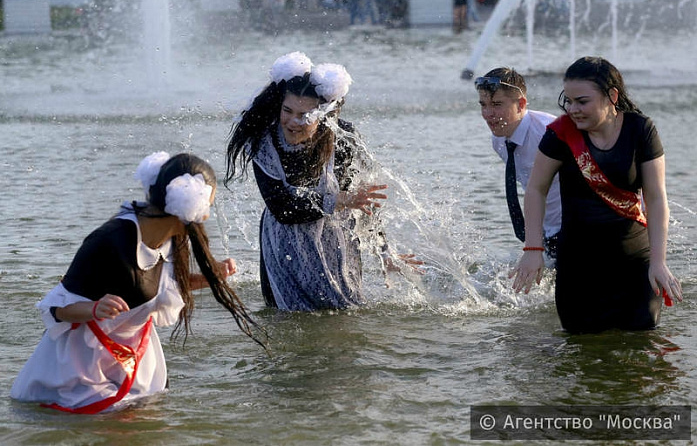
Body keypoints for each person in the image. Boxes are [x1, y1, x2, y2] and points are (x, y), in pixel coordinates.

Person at [10, 153, 265, 414]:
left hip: (134, 356)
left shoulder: (173, 238)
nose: (206, 217)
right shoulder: (109, 241)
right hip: (81, 363)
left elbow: (167, 284)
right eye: (206, 206)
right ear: (185, 206)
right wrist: (95, 308)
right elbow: (55, 308)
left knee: (147, 422)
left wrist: (213, 277)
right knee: (117, 424)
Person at [225, 52, 420, 312]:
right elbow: (282, 208)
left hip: (335, 238)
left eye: (305, 116)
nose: (293, 122)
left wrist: (385, 253)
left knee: (343, 315)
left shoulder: (342, 140)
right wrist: (339, 200)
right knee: (285, 318)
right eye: (287, 111)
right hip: (281, 241)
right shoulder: (263, 140)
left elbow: (362, 202)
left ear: (324, 115)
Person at [511, 56, 683, 333]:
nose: (572, 109)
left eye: (582, 101)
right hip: (578, 267)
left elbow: (656, 197)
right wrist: (533, 249)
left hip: (635, 263)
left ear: (612, 96)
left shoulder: (641, 130)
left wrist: (659, 262)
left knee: (643, 351)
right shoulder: (560, 134)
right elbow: (536, 189)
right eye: (568, 101)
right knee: (582, 354)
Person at [475, 67, 561, 259]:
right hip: (545, 233)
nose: (488, 113)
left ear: (521, 104)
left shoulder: (548, 134)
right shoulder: (499, 140)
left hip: (575, 229)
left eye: (497, 104)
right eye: (483, 105)